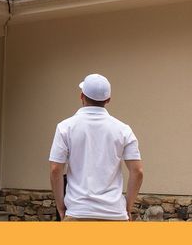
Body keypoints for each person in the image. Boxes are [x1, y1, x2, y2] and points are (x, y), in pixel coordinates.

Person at [49, 73, 143, 221]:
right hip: (115, 214)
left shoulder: (65, 127)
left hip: (78, 212)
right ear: (108, 100)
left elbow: (56, 170)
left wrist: (60, 207)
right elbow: (137, 171)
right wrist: (127, 208)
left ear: (81, 96)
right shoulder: (123, 129)